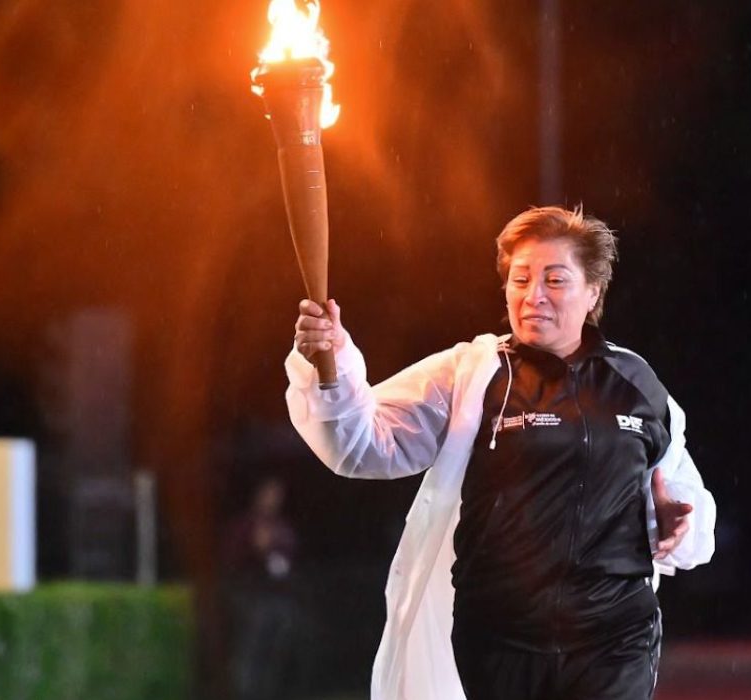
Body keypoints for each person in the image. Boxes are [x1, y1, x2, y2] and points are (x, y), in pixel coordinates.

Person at [285, 205, 715, 700]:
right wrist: (330, 359)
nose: (534, 296)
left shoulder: (636, 383)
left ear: (593, 291)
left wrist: (677, 520)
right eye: (520, 279)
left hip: (614, 635)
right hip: (500, 638)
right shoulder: (472, 374)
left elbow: (686, 498)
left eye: (555, 280)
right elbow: (362, 444)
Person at [222, 476, 299, 700]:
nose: (273, 499)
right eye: (269, 493)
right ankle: (244, 693)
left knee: (278, 646)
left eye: (277, 494)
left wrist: (270, 549)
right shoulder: (245, 526)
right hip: (248, 597)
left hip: (276, 597)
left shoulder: (281, 528)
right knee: (250, 650)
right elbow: (231, 561)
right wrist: (253, 549)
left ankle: (271, 691)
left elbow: (287, 562)